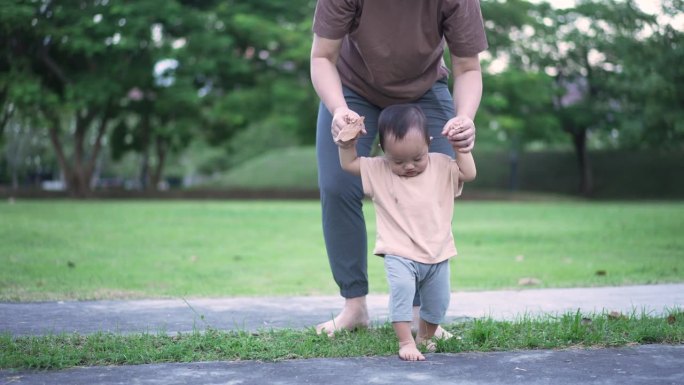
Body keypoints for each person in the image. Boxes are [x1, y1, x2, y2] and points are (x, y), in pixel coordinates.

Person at [310, 0, 488, 336]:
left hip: (424, 91)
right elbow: (322, 57)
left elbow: (468, 68)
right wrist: (338, 110)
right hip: (352, 89)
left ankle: (423, 318)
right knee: (337, 186)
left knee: (430, 189)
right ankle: (354, 306)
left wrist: (464, 117)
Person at [335, 104, 476, 361]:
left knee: (437, 303)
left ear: (429, 143)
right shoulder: (378, 169)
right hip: (398, 251)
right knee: (401, 292)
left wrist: (460, 147)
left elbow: (469, 172)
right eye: (398, 161)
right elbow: (349, 165)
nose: (409, 166)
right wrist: (347, 143)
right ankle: (405, 342)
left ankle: (425, 336)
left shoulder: (442, 165)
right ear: (384, 151)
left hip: (438, 252)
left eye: (417, 158)